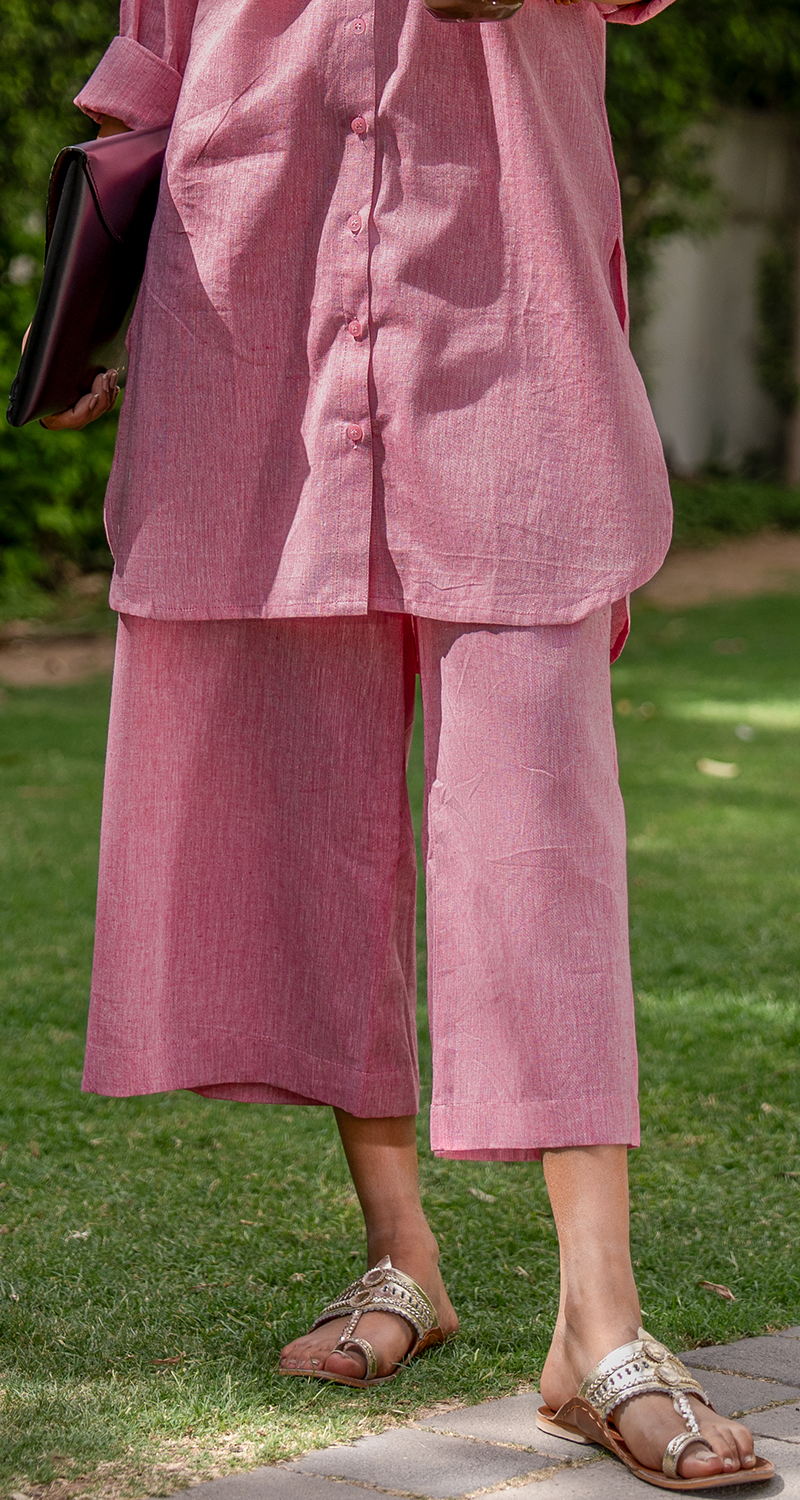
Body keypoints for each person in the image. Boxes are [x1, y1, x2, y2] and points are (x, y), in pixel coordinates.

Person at [42, 0, 771, 1487]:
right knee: (318, 808)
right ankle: (402, 1262)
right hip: (257, 341)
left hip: (510, 345)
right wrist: (75, 316)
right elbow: (156, 72)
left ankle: (601, 1329)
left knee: (538, 832)